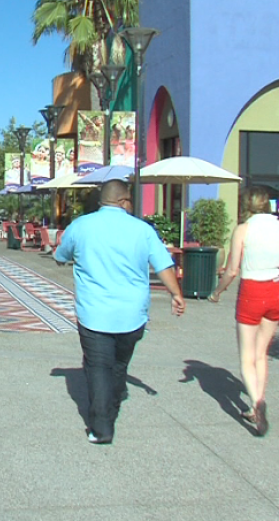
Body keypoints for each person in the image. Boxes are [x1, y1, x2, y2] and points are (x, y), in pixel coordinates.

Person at [54, 180, 185, 445]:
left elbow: (60, 255)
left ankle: (102, 428)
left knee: (98, 366)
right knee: (119, 364)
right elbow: (163, 266)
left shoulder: (81, 226)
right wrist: (177, 295)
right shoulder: (143, 230)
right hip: (132, 315)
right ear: (125, 201)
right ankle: (112, 403)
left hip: (94, 313)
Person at [207, 185, 279, 437]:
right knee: (261, 353)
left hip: (251, 292)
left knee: (246, 356)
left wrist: (217, 291)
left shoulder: (243, 229)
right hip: (276, 291)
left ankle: (256, 404)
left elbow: (232, 269)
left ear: (246, 204)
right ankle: (260, 397)